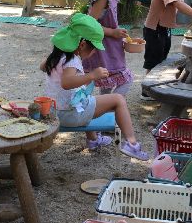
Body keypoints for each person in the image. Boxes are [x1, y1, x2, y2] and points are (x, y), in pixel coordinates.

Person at [41, 13, 149, 160]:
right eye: (93, 49)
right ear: (82, 44)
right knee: (118, 100)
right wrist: (91, 75)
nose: (94, 53)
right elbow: (66, 83)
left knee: (87, 98)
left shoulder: (56, 56)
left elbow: (43, 67)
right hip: (70, 115)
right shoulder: (72, 60)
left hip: (54, 111)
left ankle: (93, 140)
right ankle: (132, 143)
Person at [83, 0, 135, 96]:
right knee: (126, 79)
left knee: (107, 82)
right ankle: (113, 105)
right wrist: (112, 32)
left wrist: (118, 34)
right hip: (103, 47)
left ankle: (105, 107)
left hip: (111, 46)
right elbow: (89, 24)